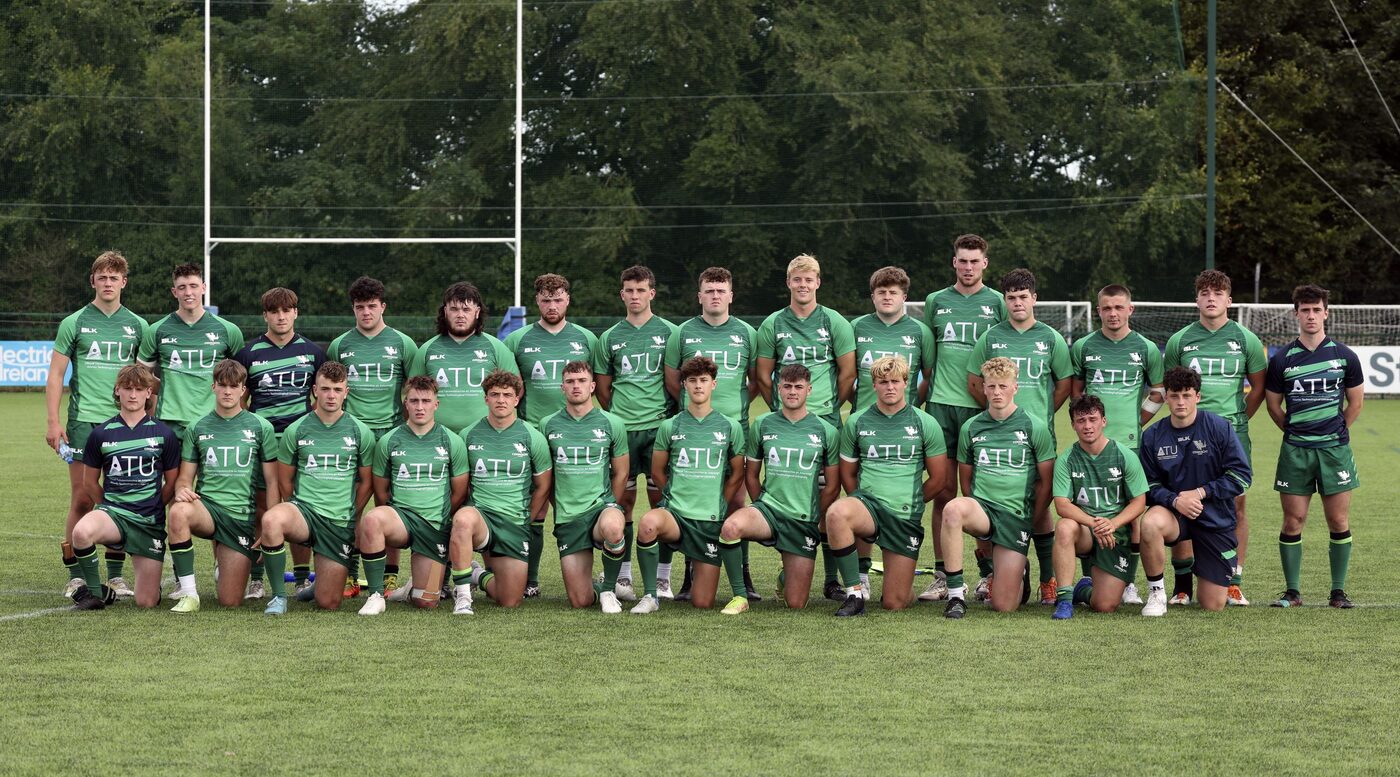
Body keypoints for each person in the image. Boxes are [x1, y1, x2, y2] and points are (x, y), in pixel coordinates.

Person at [48, 250, 149, 599]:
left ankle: (117, 575)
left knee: (120, 495)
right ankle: (76, 575)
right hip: (84, 420)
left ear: (124, 282)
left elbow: (145, 379)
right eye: (102, 277)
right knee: (83, 497)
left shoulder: (138, 326)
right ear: (93, 281)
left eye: (114, 278)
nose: (108, 283)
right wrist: (53, 421)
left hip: (125, 423)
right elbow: (56, 374)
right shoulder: (74, 322)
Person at [967, 268, 1071, 604]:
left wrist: (1040, 415)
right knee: (988, 502)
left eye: (1023, 296)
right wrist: (996, 417)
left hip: (1036, 436)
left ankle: (1048, 579)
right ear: (1005, 300)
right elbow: (974, 382)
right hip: (996, 436)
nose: (1017, 303)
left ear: (1034, 298)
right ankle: (993, 573)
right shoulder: (991, 337)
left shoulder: (1050, 338)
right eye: (1011, 297)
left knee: (1040, 506)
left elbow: (1064, 384)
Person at [755, 254, 855, 600]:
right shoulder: (773, 323)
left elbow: (847, 373)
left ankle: (831, 579)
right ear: (788, 283)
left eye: (808, 279)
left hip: (825, 419)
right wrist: (779, 411)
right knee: (788, 495)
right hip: (785, 423)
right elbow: (764, 375)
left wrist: (830, 407)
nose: (803, 285)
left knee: (827, 501)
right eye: (797, 279)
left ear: (818, 283)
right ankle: (789, 563)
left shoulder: (834, 321)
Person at [1164, 270, 1266, 606]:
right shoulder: (1180, 341)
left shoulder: (1246, 340)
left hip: (1231, 434)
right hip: (1187, 435)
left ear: (1229, 300)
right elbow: (1171, 387)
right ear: (1196, 299)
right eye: (1205, 293)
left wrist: (1237, 421)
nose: (1211, 298)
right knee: (1184, 502)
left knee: (1236, 505)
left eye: (1218, 293)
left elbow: (1258, 387)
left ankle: (1233, 580)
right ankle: (1182, 585)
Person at [919, 234, 1008, 603]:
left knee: (980, 495)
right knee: (943, 491)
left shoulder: (998, 302)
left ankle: (987, 575)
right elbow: (928, 357)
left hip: (981, 409)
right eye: (963, 260)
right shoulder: (935, 301)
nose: (968, 267)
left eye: (975, 261)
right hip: (941, 405)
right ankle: (943, 576)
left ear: (985, 263)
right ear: (953, 262)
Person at [1264, 284, 1364, 609]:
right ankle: (1292, 592)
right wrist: (1297, 431)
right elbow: (1273, 406)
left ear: (1326, 313)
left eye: (1316, 309)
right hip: (1296, 451)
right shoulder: (1282, 359)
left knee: (1338, 521)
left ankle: (1338, 592)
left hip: (1334, 451)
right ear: (1296, 314)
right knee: (1293, 520)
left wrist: (1335, 431)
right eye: (1305, 310)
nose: (1311, 315)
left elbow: (1355, 403)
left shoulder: (1345, 356)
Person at [662, 267, 758, 601]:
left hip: (735, 429)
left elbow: (756, 379)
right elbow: (672, 379)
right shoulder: (682, 333)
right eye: (709, 290)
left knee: (736, 501)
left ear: (731, 295)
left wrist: (730, 413)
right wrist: (696, 411)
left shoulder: (747, 333)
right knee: (693, 502)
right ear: (699, 296)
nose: (715, 296)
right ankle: (690, 575)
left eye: (721, 290)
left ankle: (742, 575)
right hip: (693, 431)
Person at [825, 356, 946, 614]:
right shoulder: (857, 421)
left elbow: (939, 479)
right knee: (837, 513)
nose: (889, 387)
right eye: (883, 382)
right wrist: (860, 501)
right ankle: (854, 593)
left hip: (903, 515)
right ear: (874, 385)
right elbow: (848, 474)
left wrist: (912, 500)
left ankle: (902, 587)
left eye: (895, 381)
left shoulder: (925, 423)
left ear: (905, 383)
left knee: (894, 602)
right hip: (869, 508)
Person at [504, 273, 599, 598]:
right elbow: (512, 389)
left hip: (577, 438)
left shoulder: (587, 339)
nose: (552, 306)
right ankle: (530, 579)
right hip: (534, 435)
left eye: (558, 299)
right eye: (546, 300)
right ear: (537, 301)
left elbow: (599, 384)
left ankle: (601, 575)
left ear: (568, 299)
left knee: (579, 506)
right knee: (536, 508)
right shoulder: (517, 340)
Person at [1069, 283, 1164, 604]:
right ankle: (1091, 575)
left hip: (1130, 444)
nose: (1113, 313)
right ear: (1098, 311)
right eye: (1107, 308)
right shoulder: (1083, 346)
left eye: (1119, 307)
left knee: (1132, 515)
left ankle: (1129, 582)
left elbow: (1158, 392)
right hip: (1092, 446)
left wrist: (1137, 420)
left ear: (1130, 309)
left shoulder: (1146, 348)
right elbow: (1077, 394)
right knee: (1091, 507)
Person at [939, 357, 1056, 618]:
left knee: (1004, 605)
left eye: (1003, 386)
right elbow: (966, 480)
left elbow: (1046, 483)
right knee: (953, 509)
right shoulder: (971, 427)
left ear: (1015, 387)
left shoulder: (1034, 427)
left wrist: (1030, 520)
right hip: (984, 510)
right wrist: (981, 525)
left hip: (1015, 515)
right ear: (983, 388)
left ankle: (1018, 570)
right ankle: (956, 596)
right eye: (991, 386)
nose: (997, 392)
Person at [256, 361, 375, 614]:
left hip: (338, 519)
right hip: (304, 513)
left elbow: (366, 482)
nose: (331, 395)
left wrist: (352, 512)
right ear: (314, 390)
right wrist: (296, 507)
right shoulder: (296, 429)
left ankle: (319, 586)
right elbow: (284, 479)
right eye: (325, 389)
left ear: (346, 392)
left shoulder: (361, 432)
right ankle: (278, 597)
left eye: (337, 389)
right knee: (272, 520)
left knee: (328, 603)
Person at [720, 364, 839, 612]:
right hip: (769, 511)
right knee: (731, 527)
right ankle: (740, 596)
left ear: (809, 390)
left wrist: (815, 515)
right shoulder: (762, 424)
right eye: (787, 386)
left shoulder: (826, 430)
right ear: (778, 388)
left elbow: (832, 485)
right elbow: (751, 475)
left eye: (798, 387)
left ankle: (785, 577)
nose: (792, 392)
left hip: (802, 519)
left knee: (795, 604)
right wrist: (761, 505)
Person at [630, 356, 745, 614]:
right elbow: (657, 471)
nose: (698, 385)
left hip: (708, 521)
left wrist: (721, 502)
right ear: (684, 384)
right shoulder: (670, 425)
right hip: (676, 516)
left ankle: (698, 568)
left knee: (703, 603)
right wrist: (672, 496)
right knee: (648, 523)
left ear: (714, 384)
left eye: (704, 380)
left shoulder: (730, 427)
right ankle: (650, 595)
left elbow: (737, 473)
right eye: (692, 380)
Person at [328, 276, 418, 597]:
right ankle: (350, 575)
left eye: (371, 306)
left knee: (388, 506)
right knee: (349, 506)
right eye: (359, 307)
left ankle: (390, 576)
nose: (366, 312)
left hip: (390, 436)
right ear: (353, 309)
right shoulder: (340, 345)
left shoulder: (403, 344)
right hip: (352, 437)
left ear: (383, 307)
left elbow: (414, 393)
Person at [592, 265, 677, 602]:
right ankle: (624, 577)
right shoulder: (610, 337)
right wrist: (621, 417)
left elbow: (674, 382)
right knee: (623, 501)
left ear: (652, 293)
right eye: (629, 290)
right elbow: (603, 389)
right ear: (622, 294)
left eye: (641, 290)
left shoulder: (670, 333)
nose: (635, 296)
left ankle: (662, 579)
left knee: (661, 503)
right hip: (623, 432)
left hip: (658, 429)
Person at [165, 359, 279, 611]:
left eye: (234, 386)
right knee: (178, 511)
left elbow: (272, 482)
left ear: (243, 389)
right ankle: (189, 594)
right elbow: (185, 477)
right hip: (207, 510)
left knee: (230, 601)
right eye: (222, 385)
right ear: (213, 387)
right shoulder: (197, 427)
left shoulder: (261, 427)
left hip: (240, 517)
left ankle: (227, 564)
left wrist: (271, 524)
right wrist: (182, 489)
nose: (228, 391)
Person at [1138, 367, 1252, 616]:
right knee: (1150, 522)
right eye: (1174, 395)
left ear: (1197, 397)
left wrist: (1201, 492)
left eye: (1187, 395)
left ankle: (1209, 573)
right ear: (1166, 398)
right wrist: (1174, 500)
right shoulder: (1152, 436)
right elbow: (1147, 486)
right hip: (1174, 514)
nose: (1181, 402)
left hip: (1214, 516)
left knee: (1213, 603)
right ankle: (1156, 593)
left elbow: (1241, 476)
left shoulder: (1219, 428)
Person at [234, 287, 325, 599]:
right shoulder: (249, 353)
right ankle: (257, 579)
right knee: (262, 508)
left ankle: (300, 578)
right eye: (274, 311)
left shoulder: (313, 352)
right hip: (263, 445)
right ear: (265, 316)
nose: (281, 317)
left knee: (299, 507)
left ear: (295, 313)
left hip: (299, 444)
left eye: (286, 310)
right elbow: (240, 399)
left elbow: (322, 396)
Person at [68, 364, 180, 610]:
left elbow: (172, 482)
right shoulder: (101, 434)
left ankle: (147, 586)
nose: (133, 395)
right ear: (117, 390)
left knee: (146, 602)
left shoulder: (164, 434)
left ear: (148, 393)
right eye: (127, 389)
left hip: (148, 522)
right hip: (115, 515)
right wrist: (109, 507)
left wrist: (154, 506)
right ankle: (95, 594)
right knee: (81, 532)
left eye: (139, 389)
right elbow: (89, 482)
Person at [355, 375, 469, 615]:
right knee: (373, 519)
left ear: (436, 404)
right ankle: (376, 595)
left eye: (426, 401)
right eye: (414, 401)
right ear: (405, 403)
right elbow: (381, 491)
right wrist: (392, 516)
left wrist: (438, 518)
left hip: (434, 525)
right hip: (402, 520)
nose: (420, 407)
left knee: (426, 601)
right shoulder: (389, 440)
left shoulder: (452, 441)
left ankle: (410, 589)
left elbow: (459, 492)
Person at [446, 370, 552, 614]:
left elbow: (543, 486)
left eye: (507, 395)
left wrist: (526, 518)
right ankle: (463, 597)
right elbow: (461, 484)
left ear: (516, 399)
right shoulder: (468, 435)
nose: (501, 400)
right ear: (486, 399)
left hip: (513, 521)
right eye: (494, 395)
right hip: (481, 517)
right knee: (463, 519)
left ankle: (477, 574)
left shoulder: (532, 437)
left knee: (509, 600)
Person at [1049, 395, 1148, 619]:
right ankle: (1064, 601)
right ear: (1073, 424)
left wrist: (1112, 524)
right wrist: (1094, 524)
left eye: (1092, 419)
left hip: (1114, 533)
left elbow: (1139, 502)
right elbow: (1062, 505)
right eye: (1081, 420)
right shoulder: (1067, 460)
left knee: (1105, 605)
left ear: (1103, 421)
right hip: (1086, 529)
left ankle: (1082, 591)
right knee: (1064, 526)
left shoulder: (1124, 455)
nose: (1087, 426)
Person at [541, 362, 630, 612]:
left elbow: (622, 472)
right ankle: (601, 587)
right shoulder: (547, 424)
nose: (576, 386)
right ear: (562, 387)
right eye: (570, 381)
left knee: (614, 527)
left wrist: (611, 505)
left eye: (581, 381)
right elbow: (546, 477)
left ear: (592, 386)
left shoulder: (612, 423)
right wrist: (559, 504)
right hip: (569, 516)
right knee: (580, 601)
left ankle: (609, 590)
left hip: (601, 507)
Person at [138, 263, 245, 442]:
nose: (188, 292)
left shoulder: (228, 330)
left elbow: (242, 377)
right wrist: (167, 388)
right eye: (182, 287)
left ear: (203, 288)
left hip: (215, 420)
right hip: (170, 422)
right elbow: (141, 376)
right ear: (174, 292)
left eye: (193, 286)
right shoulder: (156, 330)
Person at [409, 282, 516, 434]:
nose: (460, 315)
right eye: (454, 309)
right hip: (437, 437)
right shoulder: (427, 349)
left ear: (477, 312)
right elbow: (411, 394)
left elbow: (516, 391)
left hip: (485, 435)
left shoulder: (496, 348)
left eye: (466, 309)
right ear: (445, 311)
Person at [851, 266, 936, 412]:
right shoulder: (855, 327)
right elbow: (846, 376)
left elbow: (929, 378)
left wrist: (912, 405)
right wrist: (860, 406)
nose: (887, 297)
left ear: (904, 297)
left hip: (906, 419)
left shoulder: (922, 332)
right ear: (873, 297)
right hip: (863, 417)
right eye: (881, 292)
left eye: (893, 292)